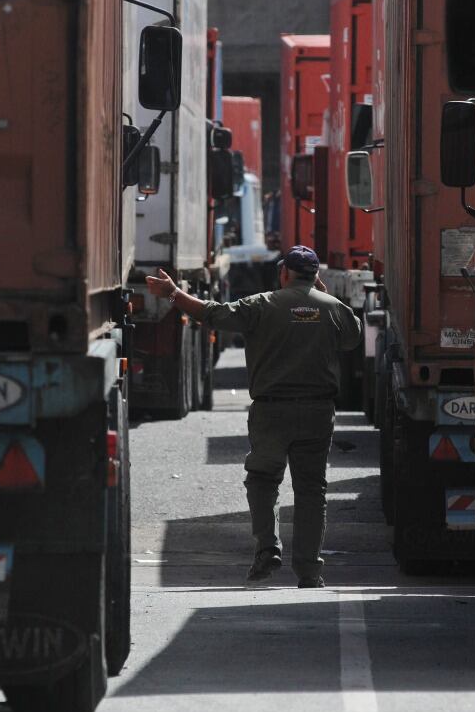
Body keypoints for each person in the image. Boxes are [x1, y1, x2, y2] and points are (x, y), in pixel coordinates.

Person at [145, 245, 362, 587]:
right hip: (318, 411)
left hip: (271, 411)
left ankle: (267, 548)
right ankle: (308, 571)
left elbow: (212, 313)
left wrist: (173, 292)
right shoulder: (334, 309)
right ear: (315, 275)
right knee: (311, 490)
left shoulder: (261, 305)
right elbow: (352, 338)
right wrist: (321, 295)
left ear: (285, 273)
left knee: (263, 479)